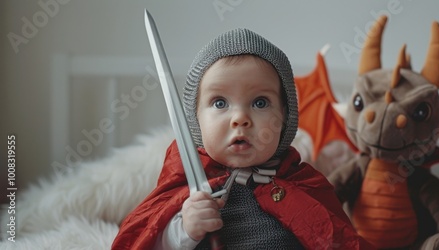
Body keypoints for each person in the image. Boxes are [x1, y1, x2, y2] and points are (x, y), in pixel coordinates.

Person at [112, 28, 372, 250]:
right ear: (195, 118)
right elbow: (142, 239)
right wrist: (183, 230)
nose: (240, 118)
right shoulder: (185, 183)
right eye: (219, 102)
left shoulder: (306, 184)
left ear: (285, 116)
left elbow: (336, 239)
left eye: (260, 102)